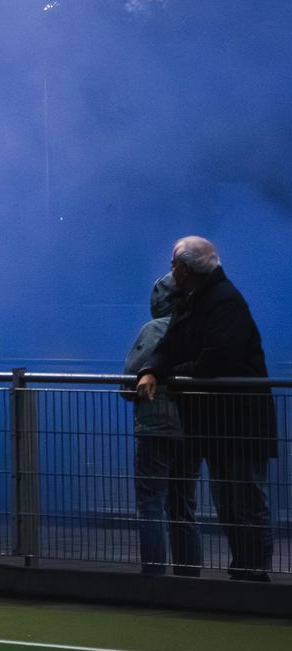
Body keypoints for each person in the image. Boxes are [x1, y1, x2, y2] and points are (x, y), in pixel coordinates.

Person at [134, 237, 274, 583]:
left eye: (173, 264)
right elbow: (167, 347)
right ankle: (245, 572)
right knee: (230, 504)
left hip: (239, 423)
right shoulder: (196, 301)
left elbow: (218, 358)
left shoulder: (225, 302)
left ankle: (254, 575)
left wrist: (173, 375)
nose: (171, 270)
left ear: (184, 268)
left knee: (245, 504)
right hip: (218, 423)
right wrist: (151, 370)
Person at [122, 273, 199, 577]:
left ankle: (154, 578)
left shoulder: (154, 329)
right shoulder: (201, 328)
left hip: (156, 428)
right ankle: (188, 578)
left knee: (151, 504)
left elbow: (130, 376)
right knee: (184, 507)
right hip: (193, 428)